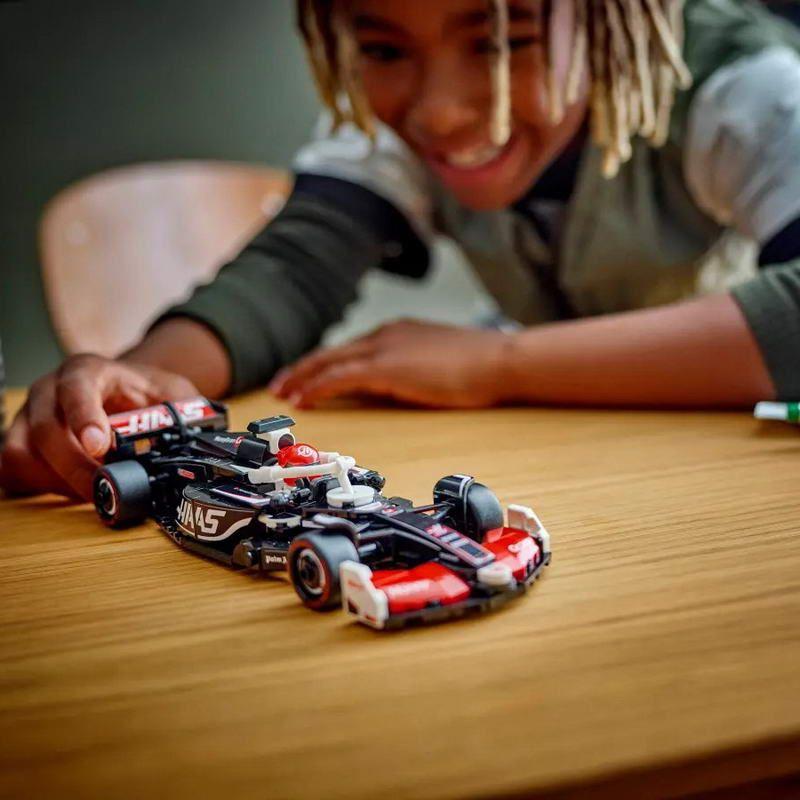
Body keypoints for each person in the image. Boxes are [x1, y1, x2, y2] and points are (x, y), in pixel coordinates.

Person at [4, 0, 800, 500]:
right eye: (384, 50)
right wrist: (139, 380)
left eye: (502, 42)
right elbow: (290, 270)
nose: (440, 112)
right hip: (565, 466)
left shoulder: (748, 88)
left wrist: (500, 363)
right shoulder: (389, 129)